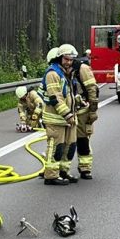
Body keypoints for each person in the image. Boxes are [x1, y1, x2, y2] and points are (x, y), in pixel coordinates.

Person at [40, 46, 78, 185]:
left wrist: (79, 101)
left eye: (71, 60)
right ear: (60, 58)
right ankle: (51, 176)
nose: (69, 62)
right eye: (66, 59)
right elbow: (56, 97)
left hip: (68, 118)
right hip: (56, 119)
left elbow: (69, 95)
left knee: (70, 146)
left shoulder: (67, 73)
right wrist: (67, 114)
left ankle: (63, 172)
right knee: (56, 148)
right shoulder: (53, 74)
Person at [67, 44, 100, 179]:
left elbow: (92, 90)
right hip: (68, 111)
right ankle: (61, 170)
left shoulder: (82, 69)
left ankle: (85, 168)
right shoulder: (61, 69)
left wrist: (92, 111)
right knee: (66, 141)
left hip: (83, 110)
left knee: (82, 140)